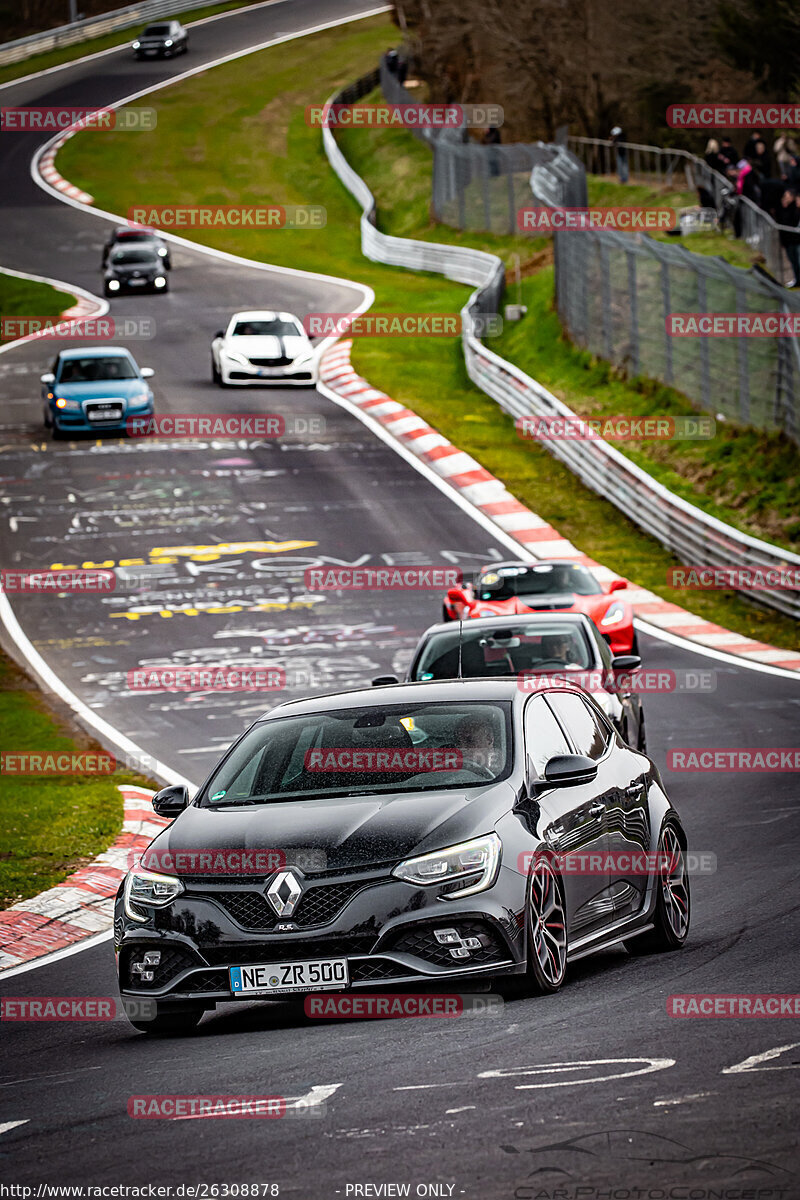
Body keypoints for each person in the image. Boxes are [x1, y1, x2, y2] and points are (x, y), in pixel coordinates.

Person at [778, 188, 800, 286]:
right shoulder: (784, 208)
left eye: (787, 197)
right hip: (788, 241)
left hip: (795, 240)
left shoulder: (795, 211)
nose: (785, 199)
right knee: (793, 261)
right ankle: (797, 280)